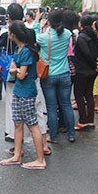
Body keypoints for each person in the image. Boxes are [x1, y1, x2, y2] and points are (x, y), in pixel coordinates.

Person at [0, 21, 46, 170]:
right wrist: (16, 69)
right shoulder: (19, 49)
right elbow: (16, 69)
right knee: (18, 123)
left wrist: (15, 70)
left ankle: (40, 160)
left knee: (32, 125)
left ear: (13, 34)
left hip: (27, 91)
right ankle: (17, 155)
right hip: (19, 91)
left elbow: (21, 74)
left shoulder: (26, 51)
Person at [34, 9, 75, 143]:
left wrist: (38, 22)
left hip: (49, 75)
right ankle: (71, 134)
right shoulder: (67, 34)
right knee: (66, 105)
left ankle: (54, 136)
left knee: (51, 107)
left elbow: (34, 37)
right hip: (64, 73)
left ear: (49, 21)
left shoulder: (44, 37)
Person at [73, 15, 98, 130]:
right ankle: (90, 120)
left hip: (82, 70)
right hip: (93, 71)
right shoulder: (95, 36)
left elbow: (86, 54)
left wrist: (94, 64)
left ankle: (83, 120)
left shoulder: (82, 37)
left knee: (79, 94)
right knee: (88, 94)